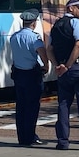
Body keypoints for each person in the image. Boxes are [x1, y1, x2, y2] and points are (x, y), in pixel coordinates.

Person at [47, 0, 79, 151]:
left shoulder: (55, 26)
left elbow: (49, 48)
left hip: (63, 71)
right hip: (76, 69)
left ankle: (62, 141)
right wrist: (68, 65)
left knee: (63, 105)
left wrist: (57, 65)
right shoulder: (76, 23)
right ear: (70, 8)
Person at [9, 9, 49, 146]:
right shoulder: (34, 37)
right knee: (32, 107)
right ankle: (31, 136)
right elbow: (42, 54)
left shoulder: (14, 36)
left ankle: (22, 137)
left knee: (21, 107)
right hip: (32, 74)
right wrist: (46, 66)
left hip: (18, 74)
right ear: (34, 22)